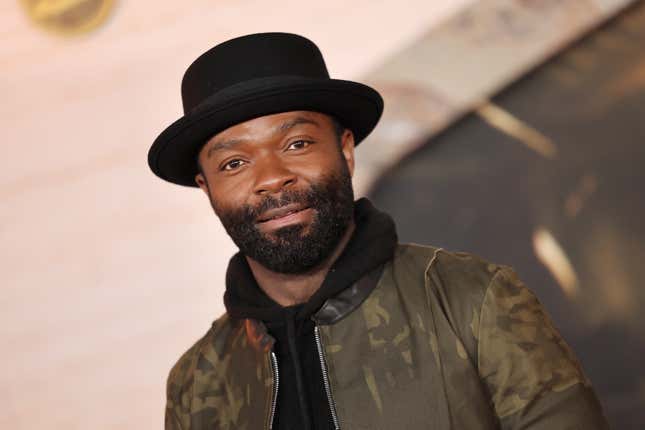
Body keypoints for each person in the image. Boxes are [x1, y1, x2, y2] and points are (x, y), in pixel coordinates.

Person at [148, 32, 609, 430]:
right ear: (207, 188)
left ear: (345, 150)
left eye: (297, 143)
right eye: (234, 163)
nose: (271, 177)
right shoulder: (197, 382)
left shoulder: (477, 301)